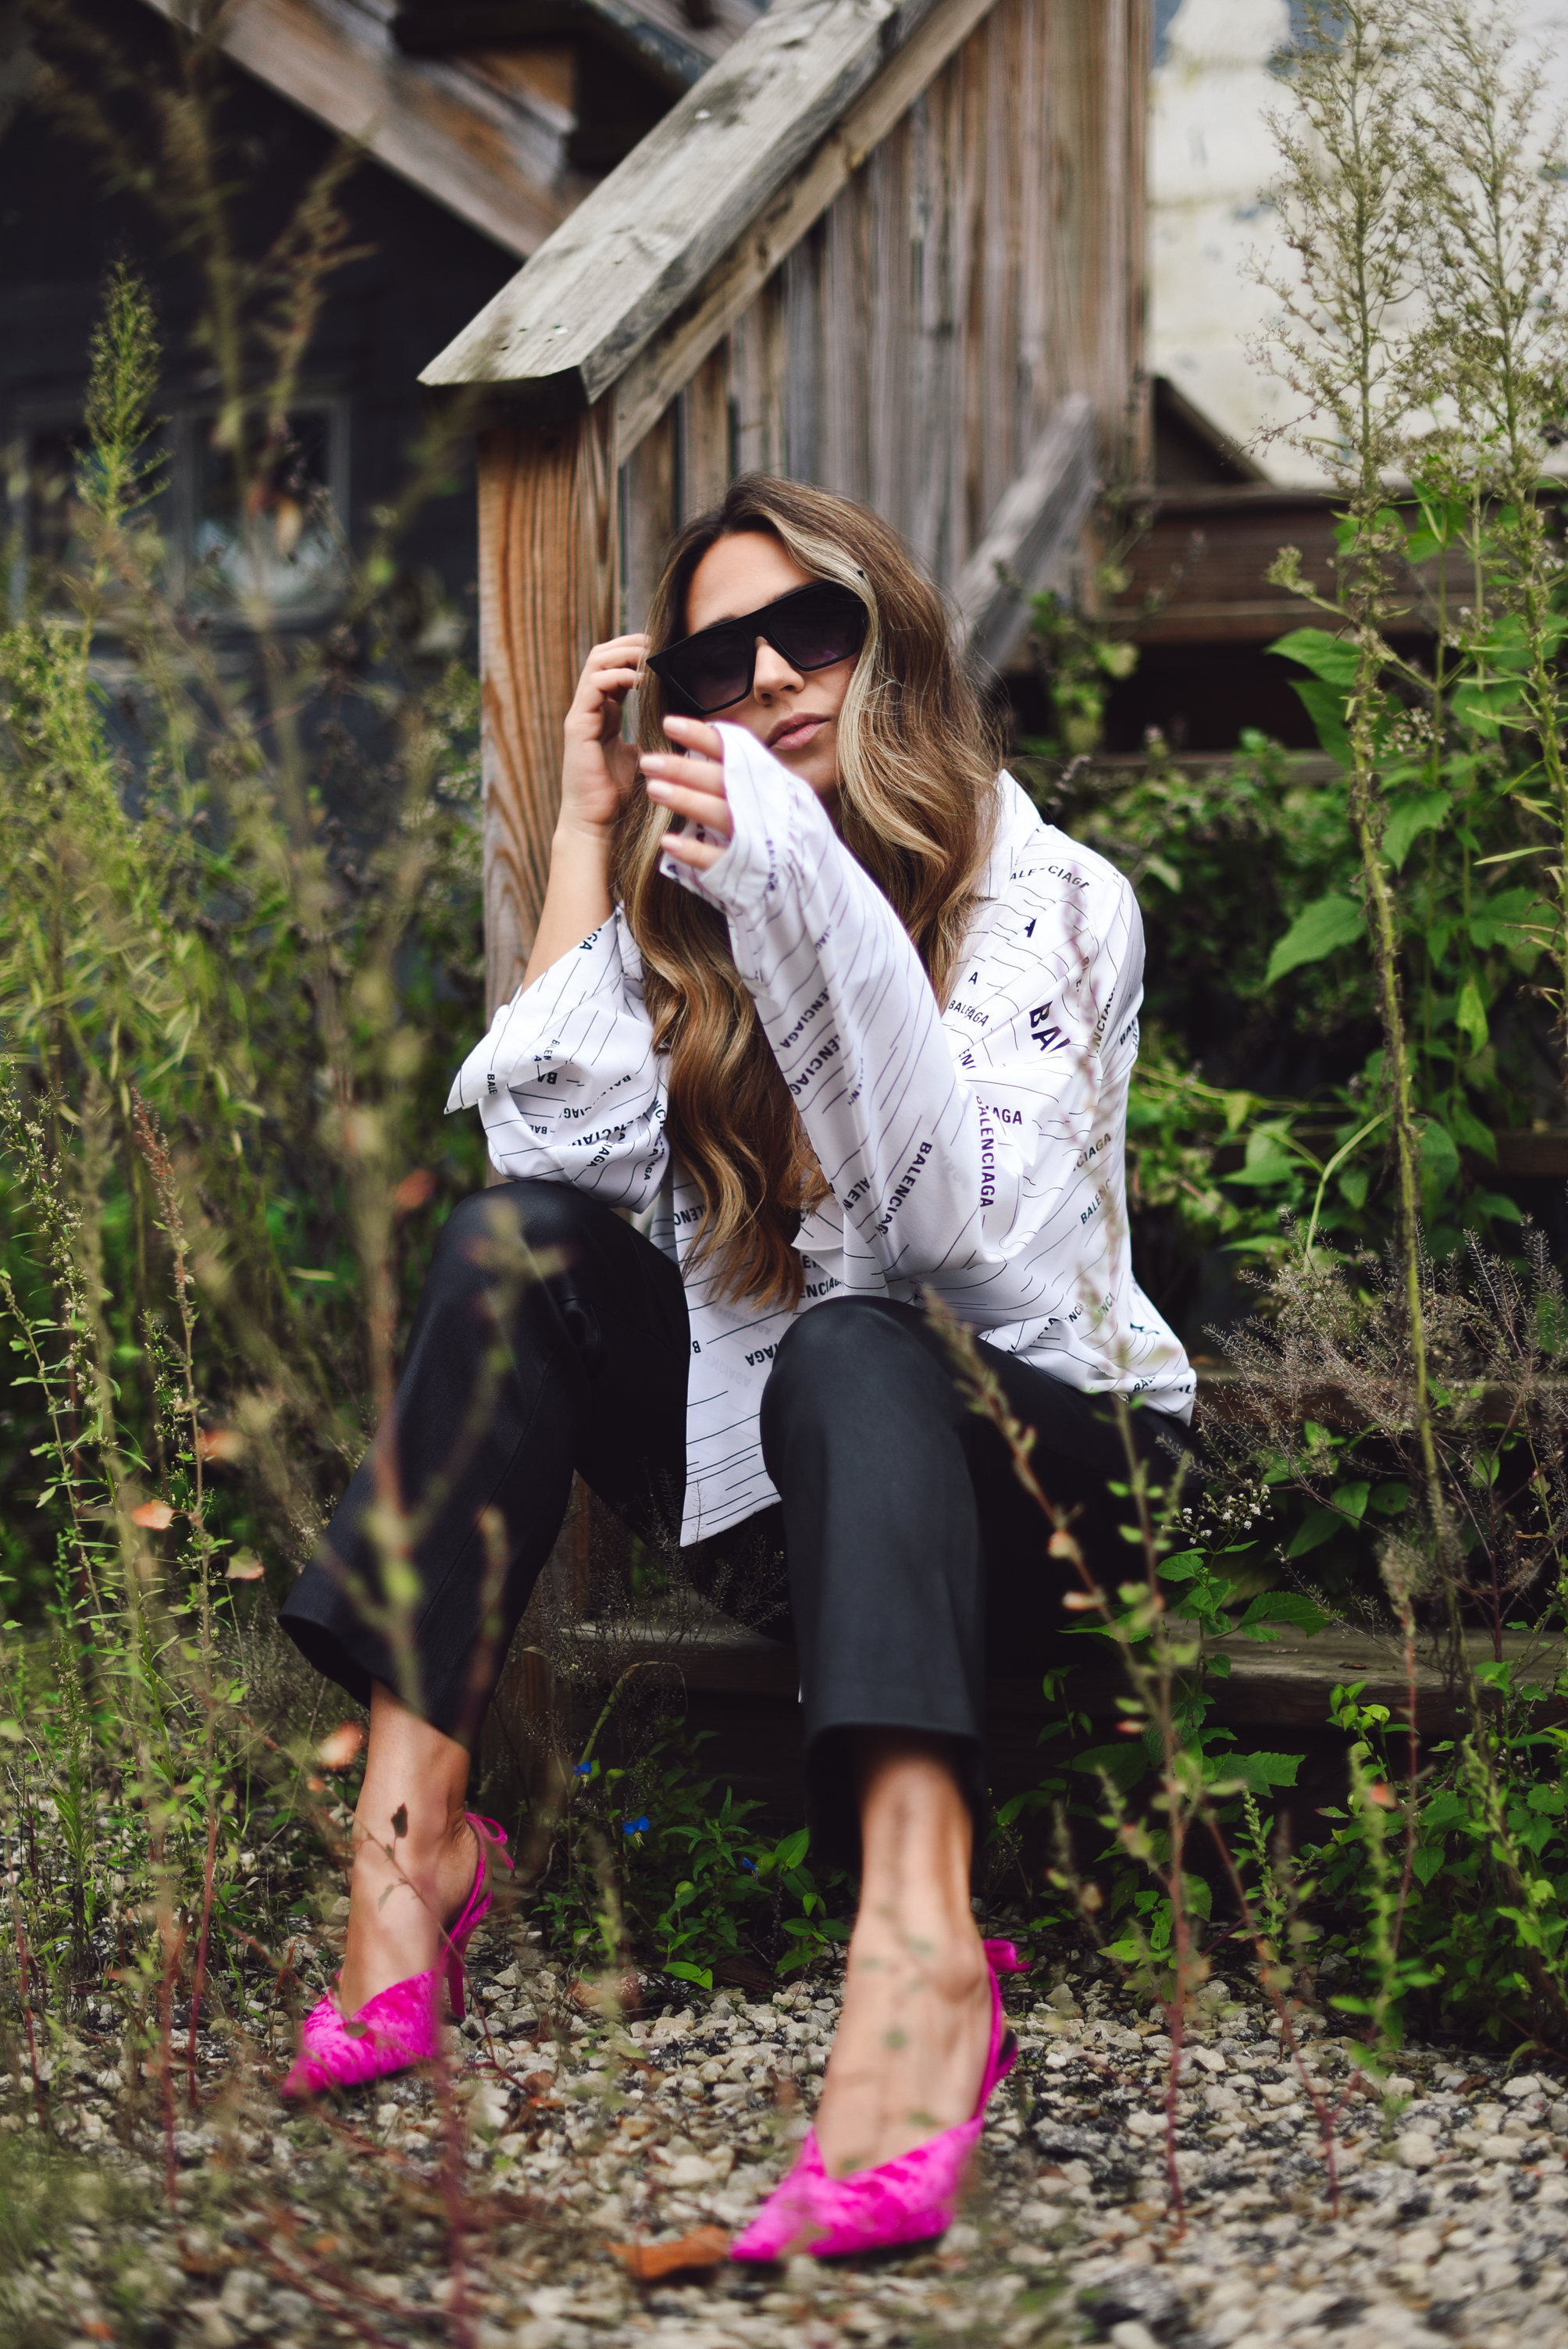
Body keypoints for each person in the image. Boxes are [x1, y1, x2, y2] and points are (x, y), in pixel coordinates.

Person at [277, 475, 1194, 2256]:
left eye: (814, 628)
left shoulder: (1054, 900)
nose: (772, 671)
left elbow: (958, 1242)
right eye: (719, 654)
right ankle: (411, 1856)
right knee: (510, 1254)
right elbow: (535, 1175)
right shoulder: (696, 916)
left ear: (888, 640)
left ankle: (921, 1952)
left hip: (1052, 1492)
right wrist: (582, 830)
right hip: (805, 1487)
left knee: (860, 1328)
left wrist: (793, 893)